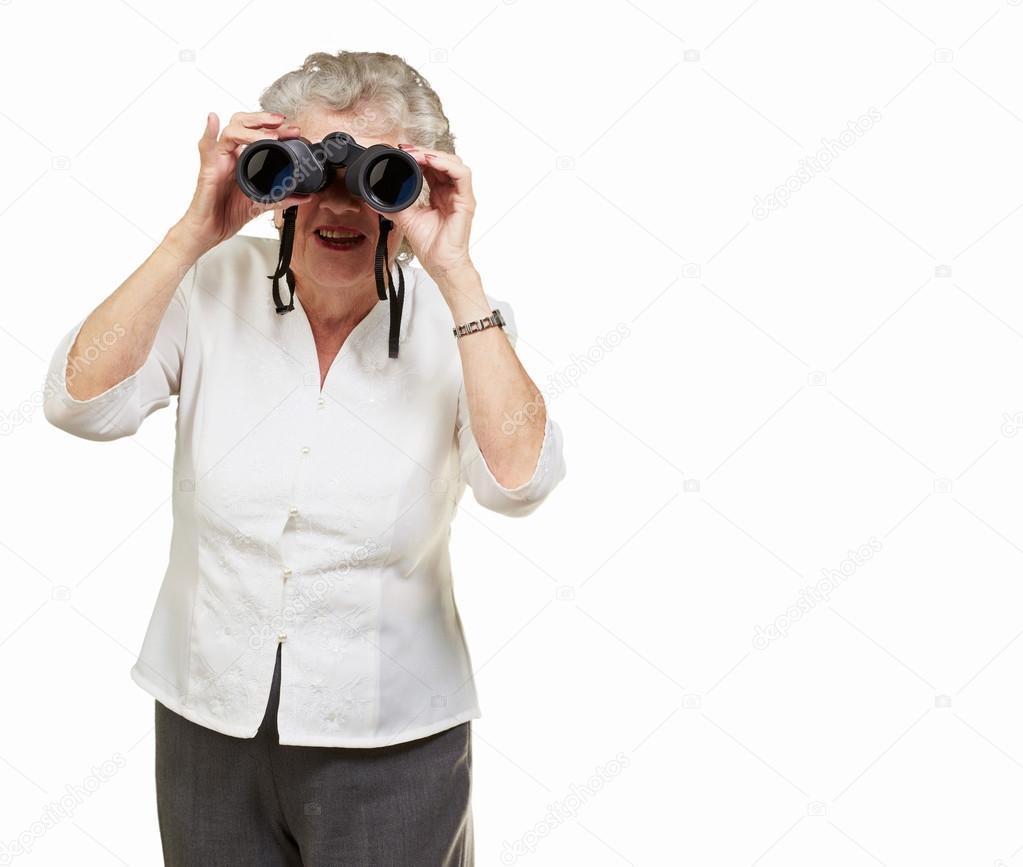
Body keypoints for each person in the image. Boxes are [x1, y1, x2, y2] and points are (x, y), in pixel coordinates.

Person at [43, 50, 566, 866]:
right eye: (313, 170)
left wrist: (455, 271)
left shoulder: (458, 322)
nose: (339, 201)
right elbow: (78, 403)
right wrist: (193, 232)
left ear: (416, 187)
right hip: (206, 717)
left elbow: (519, 481)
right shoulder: (213, 287)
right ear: (275, 184)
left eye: (372, 175)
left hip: (393, 735)